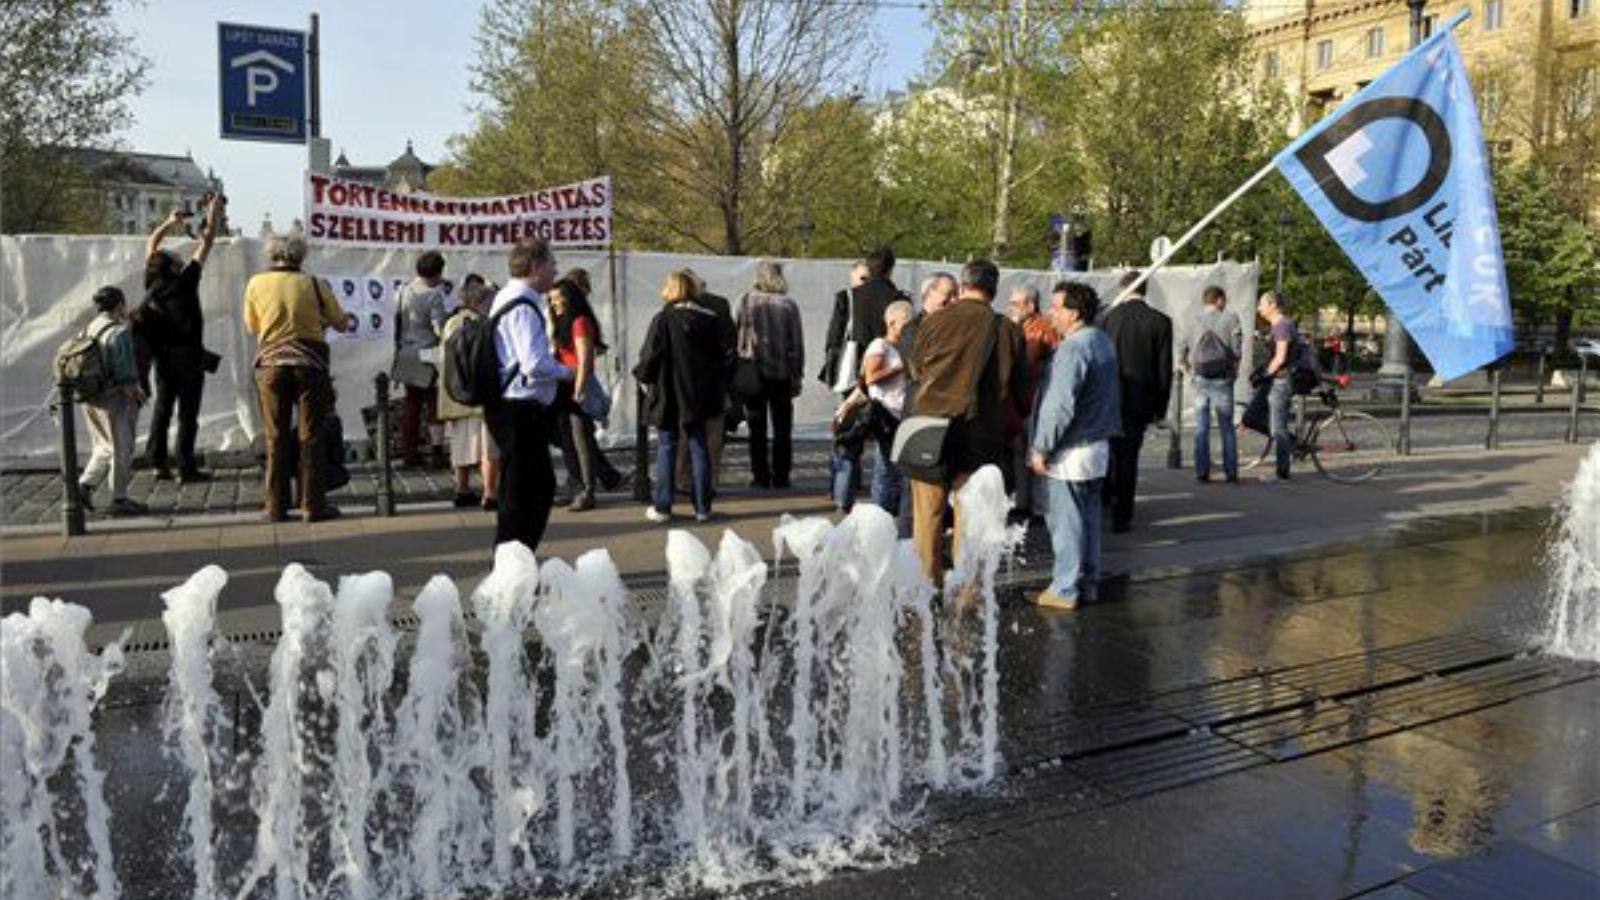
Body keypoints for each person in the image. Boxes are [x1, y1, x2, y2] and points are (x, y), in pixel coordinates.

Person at [907, 259, 1027, 589]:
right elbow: (1021, 390)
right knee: (970, 517)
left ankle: (926, 586)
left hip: (930, 428)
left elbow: (916, 370)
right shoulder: (1008, 329)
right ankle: (965, 592)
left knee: (927, 515)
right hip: (981, 432)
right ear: (995, 289)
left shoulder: (934, 320)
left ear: (962, 286)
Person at [243, 233, 352, 523]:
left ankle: (275, 507)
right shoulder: (314, 284)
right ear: (301, 256)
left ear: (272, 255)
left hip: (271, 366)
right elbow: (341, 323)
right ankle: (312, 505)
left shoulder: (256, 283)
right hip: (310, 365)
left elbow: (252, 326)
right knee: (311, 435)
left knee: (275, 436)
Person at [1029, 282, 1120, 609]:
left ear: (1074, 312)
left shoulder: (1073, 348)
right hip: (1097, 446)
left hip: (1071, 450)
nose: (1051, 313)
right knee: (1090, 519)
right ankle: (1088, 582)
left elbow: (1059, 405)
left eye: (1056, 307)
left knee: (1066, 523)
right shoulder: (1102, 341)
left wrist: (1041, 447)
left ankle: (1065, 588)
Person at [483, 238, 572, 551]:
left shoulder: (507, 297)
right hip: (521, 409)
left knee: (520, 488)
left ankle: (513, 556)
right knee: (530, 490)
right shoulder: (524, 305)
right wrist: (566, 372)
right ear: (535, 267)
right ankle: (514, 559)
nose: (555, 270)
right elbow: (533, 364)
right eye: (551, 264)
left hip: (510, 407)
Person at [634, 270, 732, 523]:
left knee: (667, 447)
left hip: (668, 392)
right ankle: (702, 507)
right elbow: (722, 358)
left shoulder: (663, 319)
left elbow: (649, 356)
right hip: (700, 394)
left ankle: (663, 506)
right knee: (699, 447)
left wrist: (643, 377)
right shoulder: (711, 320)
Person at [139, 193, 223, 483]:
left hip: (163, 356)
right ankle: (186, 467)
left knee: (163, 409)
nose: (180, 255)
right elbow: (208, 241)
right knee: (188, 413)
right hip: (188, 357)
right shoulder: (185, 282)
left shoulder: (152, 282)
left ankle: (157, 462)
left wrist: (168, 223)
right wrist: (214, 211)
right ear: (175, 267)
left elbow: (152, 245)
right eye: (177, 257)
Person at [1101, 270, 1172, 533]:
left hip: (1108, 397)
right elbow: (1163, 369)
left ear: (1122, 288)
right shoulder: (1160, 322)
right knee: (1128, 458)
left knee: (1106, 451)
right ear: (1146, 290)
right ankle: (1123, 514)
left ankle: (1104, 497)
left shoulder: (1108, 318)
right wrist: (1160, 408)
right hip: (1139, 401)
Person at [76, 286, 149, 517]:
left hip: (90, 397)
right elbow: (124, 369)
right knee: (121, 448)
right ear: (120, 304)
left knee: (103, 446)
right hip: (114, 398)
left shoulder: (90, 327)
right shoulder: (119, 331)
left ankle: (84, 486)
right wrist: (136, 393)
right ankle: (119, 499)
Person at [735, 260, 804, 489]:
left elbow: (737, 337)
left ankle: (760, 476)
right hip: (782, 373)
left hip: (752, 374)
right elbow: (796, 343)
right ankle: (782, 475)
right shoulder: (789, 305)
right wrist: (797, 374)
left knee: (757, 427)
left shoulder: (744, 301)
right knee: (782, 428)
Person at [549, 277, 612, 511]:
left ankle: (587, 489)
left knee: (581, 440)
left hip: (576, 383)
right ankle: (576, 485)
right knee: (567, 439)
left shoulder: (579, 322)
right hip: (562, 383)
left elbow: (585, 359)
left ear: (570, 298)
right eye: (551, 299)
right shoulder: (561, 320)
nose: (554, 304)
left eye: (558, 299)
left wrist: (580, 388)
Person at [437, 279, 499, 509]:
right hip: (480, 395)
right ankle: (490, 493)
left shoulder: (451, 323)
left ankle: (462, 490)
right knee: (488, 448)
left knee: (460, 446)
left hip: (455, 394)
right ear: (480, 303)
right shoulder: (484, 324)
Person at [675, 269, 736, 496]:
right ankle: (709, 483)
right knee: (713, 437)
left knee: (684, 433)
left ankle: (681, 480)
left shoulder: (672, 311)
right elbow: (730, 342)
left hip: (684, 382)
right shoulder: (719, 305)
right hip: (715, 381)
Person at [1180, 285, 1243, 484]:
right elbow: (1237, 350)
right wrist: (1234, 372)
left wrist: (1190, 371)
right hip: (1223, 379)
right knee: (1226, 426)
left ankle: (1202, 472)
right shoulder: (1231, 318)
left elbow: (1181, 350)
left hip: (1200, 378)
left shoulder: (1192, 319)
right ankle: (1231, 473)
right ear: (1219, 300)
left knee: (1201, 426)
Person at [1007, 283, 1059, 520]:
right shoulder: (1027, 326)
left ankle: (1037, 506)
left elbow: (1026, 362)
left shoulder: (1041, 328)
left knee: (1034, 453)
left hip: (1034, 400)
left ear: (1030, 304)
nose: (1010, 307)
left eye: (1015, 303)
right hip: (1023, 401)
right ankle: (1024, 502)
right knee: (1020, 452)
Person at [393, 250, 450, 468]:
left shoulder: (402, 291)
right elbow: (438, 328)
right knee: (434, 402)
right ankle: (436, 451)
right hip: (427, 350)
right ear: (437, 272)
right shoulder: (433, 294)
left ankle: (410, 452)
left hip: (406, 349)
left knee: (411, 403)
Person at [822, 247, 906, 391]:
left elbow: (835, 336)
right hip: (887, 369)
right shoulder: (900, 299)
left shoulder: (848, 297)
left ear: (868, 267)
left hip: (853, 367)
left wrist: (832, 364)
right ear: (890, 269)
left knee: (852, 410)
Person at [862, 300, 913, 518]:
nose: (909, 328)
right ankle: (879, 513)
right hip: (885, 414)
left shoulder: (903, 347)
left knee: (898, 466)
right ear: (891, 323)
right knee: (885, 466)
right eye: (906, 323)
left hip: (902, 413)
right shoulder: (879, 345)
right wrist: (898, 367)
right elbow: (870, 377)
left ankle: (894, 509)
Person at [1256, 290, 1297, 483]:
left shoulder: (1281, 326)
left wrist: (1265, 375)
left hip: (1281, 381)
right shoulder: (1281, 325)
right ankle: (1283, 467)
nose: (1259, 308)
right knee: (1277, 427)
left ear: (1272, 305)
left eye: (1261, 304)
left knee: (1278, 429)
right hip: (1280, 380)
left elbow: (1280, 357)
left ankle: (1282, 473)